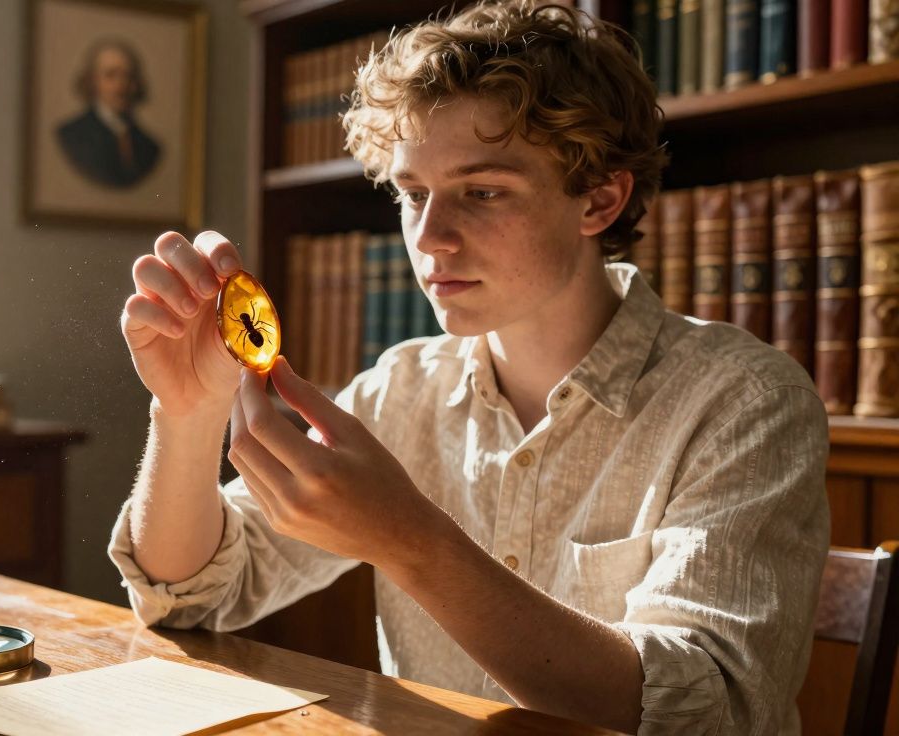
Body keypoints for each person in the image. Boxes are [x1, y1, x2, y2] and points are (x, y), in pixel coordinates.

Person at [109, 1, 828, 733]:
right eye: (412, 194)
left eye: (481, 192)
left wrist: (411, 542)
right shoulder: (402, 388)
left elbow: (707, 714)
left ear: (601, 199)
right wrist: (189, 412)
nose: (429, 238)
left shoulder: (744, 400)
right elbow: (190, 594)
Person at [56, 39, 160, 189]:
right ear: (92, 81)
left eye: (128, 76)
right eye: (111, 75)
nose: (121, 85)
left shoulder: (150, 146)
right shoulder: (71, 135)